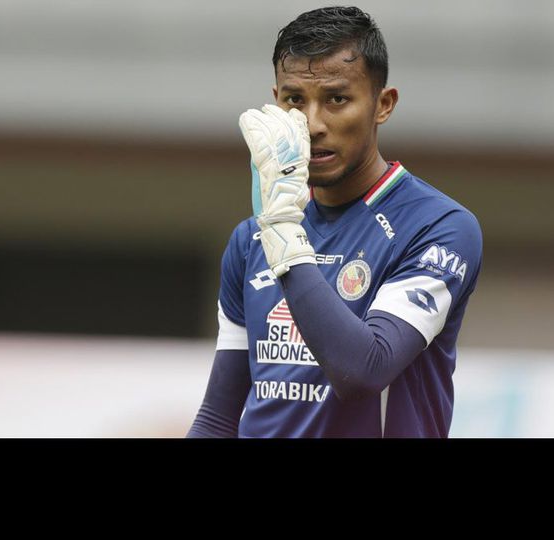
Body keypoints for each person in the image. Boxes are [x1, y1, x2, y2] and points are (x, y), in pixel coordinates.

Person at [187, 6, 482, 438]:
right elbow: (218, 418)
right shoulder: (252, 238)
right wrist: (277, 227)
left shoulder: (439, 228)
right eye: (294, 100)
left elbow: (364, 371)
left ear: (383, 104)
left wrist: (286, 236)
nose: (312, 124)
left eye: (337, 99)